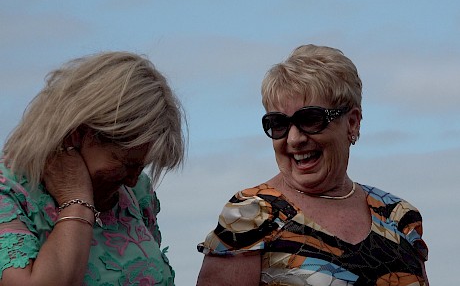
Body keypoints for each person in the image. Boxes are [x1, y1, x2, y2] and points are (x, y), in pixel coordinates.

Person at [197, 44, 428, 285]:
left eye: (311, 119)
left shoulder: (398, 215)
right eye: (279, 124)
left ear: (352, 122)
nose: (294, 139)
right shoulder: (249, 215)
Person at [0, 51, 186, 285]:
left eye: (141, 167)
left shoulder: (138, 192)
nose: (131, 181)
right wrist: (76, 202)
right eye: (125, 164)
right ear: (79, 134)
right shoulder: (9, 192)